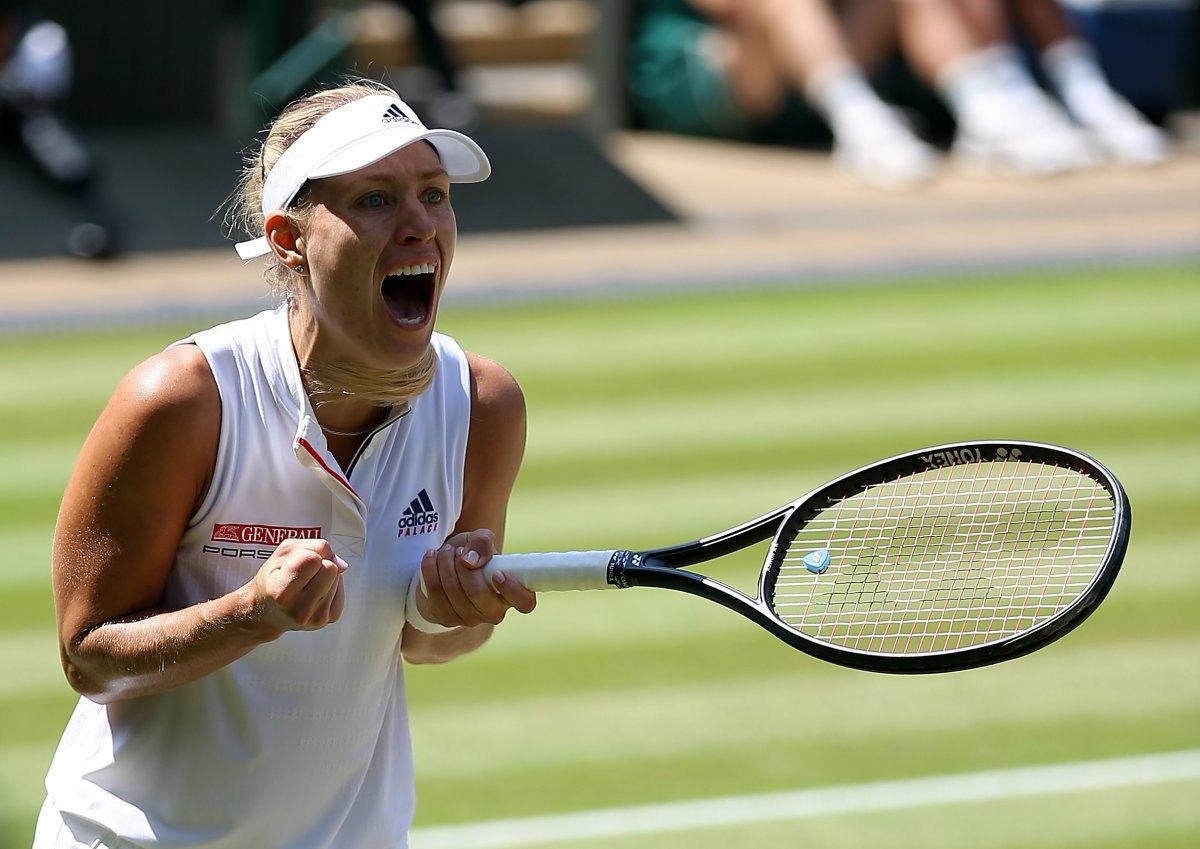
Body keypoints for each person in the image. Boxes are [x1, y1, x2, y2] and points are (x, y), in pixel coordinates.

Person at [32, 78, 537, 848]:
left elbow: (428, 641)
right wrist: (251, 614)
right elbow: (90, 656)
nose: (418, 226)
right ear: (287, 239)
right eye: (374, 199)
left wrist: (451, 608)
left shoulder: (481, 404)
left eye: (433, 195)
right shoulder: (182, 401)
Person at [627, 0, 940, 188]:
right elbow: (723, 5)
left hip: (805, 72)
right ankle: (864, 126)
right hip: (696, 74)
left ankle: (980, 107)